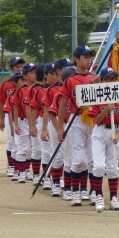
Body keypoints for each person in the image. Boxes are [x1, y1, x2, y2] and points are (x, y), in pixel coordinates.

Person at [88, 67, 119, 212]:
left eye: (114, 79)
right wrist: (106, 109)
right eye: (108, 79)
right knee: (99, 166)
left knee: (113, 167)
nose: (111, 81)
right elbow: (96, 119)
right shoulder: (97, 96)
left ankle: (113, 198)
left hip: (114, 132)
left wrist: (118, 134)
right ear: (101, 81)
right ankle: (99, 196)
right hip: (100, 132)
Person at [57, 45, 97, 206]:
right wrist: (60, 128)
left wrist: (96, 84)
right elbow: (62, 104)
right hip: (77, 120)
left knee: (92, 158)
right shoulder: (70, 81)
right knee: (78, 158)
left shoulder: (94, 78)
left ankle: (91, 191)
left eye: (89, 57)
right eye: (85, 57)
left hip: (93, 120)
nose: (88, 60)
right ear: (76, 59)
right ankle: (74, 193)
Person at [41, 59, 71, 197]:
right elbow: (48, 110)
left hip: (72, 123)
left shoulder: (74, 86)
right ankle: (56, 183)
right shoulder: (51, 90)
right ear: (59, 71)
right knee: (57, 155)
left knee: (70, 156)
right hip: (56, 123)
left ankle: (69, 184)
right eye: (67, 68)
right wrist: (46, 128)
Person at [49, 66, 76, 201]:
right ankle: (57, 184)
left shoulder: (78, 95)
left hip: (76, 126)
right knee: (61, 157)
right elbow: (52, 113)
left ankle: (76, 188)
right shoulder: (60, 94)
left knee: (75, 158)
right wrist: (59, 129)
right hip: (62, 125)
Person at [0, 56, 25, 177]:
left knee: (22, 142)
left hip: (23, 118)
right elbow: (2, 102)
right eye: (17, 67)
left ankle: (20, 167)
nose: (20, 68)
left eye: (21, 66)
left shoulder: (26, 83)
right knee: (11, 140)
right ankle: (11, 165)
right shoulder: (6, 84)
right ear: (11, 68)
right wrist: (1, 119)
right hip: (10, 116)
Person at [11, 63, 36, 183]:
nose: (35, 74)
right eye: (31, 72)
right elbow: (15, 107)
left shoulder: (38, 88)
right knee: (22, 148)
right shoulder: (21, 90)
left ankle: (26, 170)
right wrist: (16, 124)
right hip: (23, 122)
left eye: (35, 72)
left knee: (31, 149)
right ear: (25, 77)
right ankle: (21, 172)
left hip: (36, 122)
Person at [5, 71, 25, 181]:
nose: (24, 82)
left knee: (25, 147)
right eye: (21, 80)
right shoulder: (11, 96)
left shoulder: (28, 93)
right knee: (15, 145)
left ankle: (23, 170)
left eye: (24, 80)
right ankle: (16, 169)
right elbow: (9, 112)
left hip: (25, 122)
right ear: (15, 83)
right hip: (14, 122)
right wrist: (12, 126)